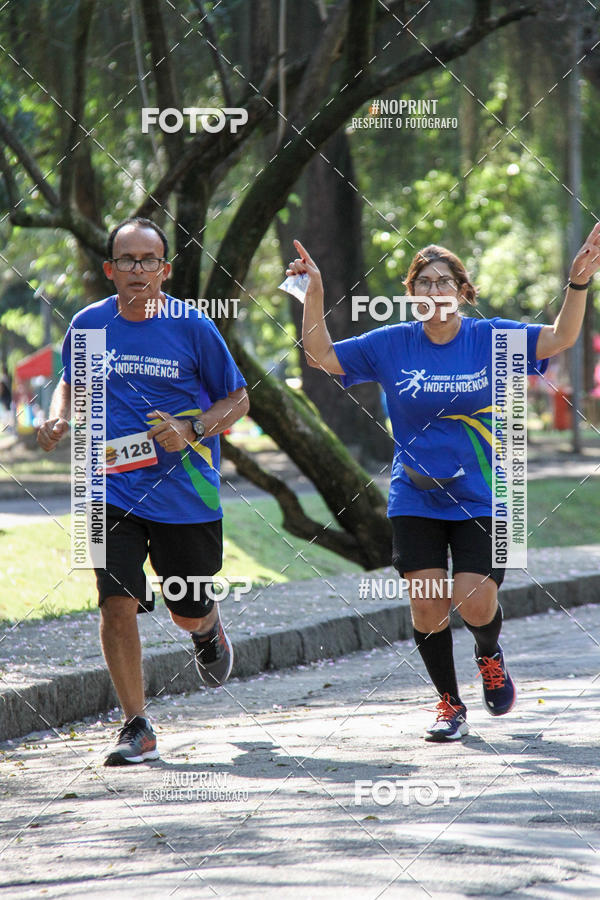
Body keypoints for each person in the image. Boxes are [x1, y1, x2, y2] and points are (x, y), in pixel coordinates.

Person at [293, 225, 600, 743]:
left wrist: (577, 284)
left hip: (484, 494)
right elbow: (320, 355)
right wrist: (314, 294)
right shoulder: (391, 344)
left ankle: (488, 651)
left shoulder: (490, 338)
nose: (435, 291)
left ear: (462, 291)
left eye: (444, 282)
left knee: (475, 601)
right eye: (424, 283)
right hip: (415, 495)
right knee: (428, 602)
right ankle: (448, 704)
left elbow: (561, 337)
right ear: (411, 295)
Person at [37, 217, 249, 765]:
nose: (137, 270)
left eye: (147, 260)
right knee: (114, 604)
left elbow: (238, 400)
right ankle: (136, 724)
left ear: (165, 268)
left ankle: (206, 629)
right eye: (126, 260)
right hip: (105, 487)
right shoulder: (87, 324)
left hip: (185, 495)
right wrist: (58, 418)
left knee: (187, 605)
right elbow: (71, 380)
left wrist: (193, 429)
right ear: (109, 269)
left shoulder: (194, 326)